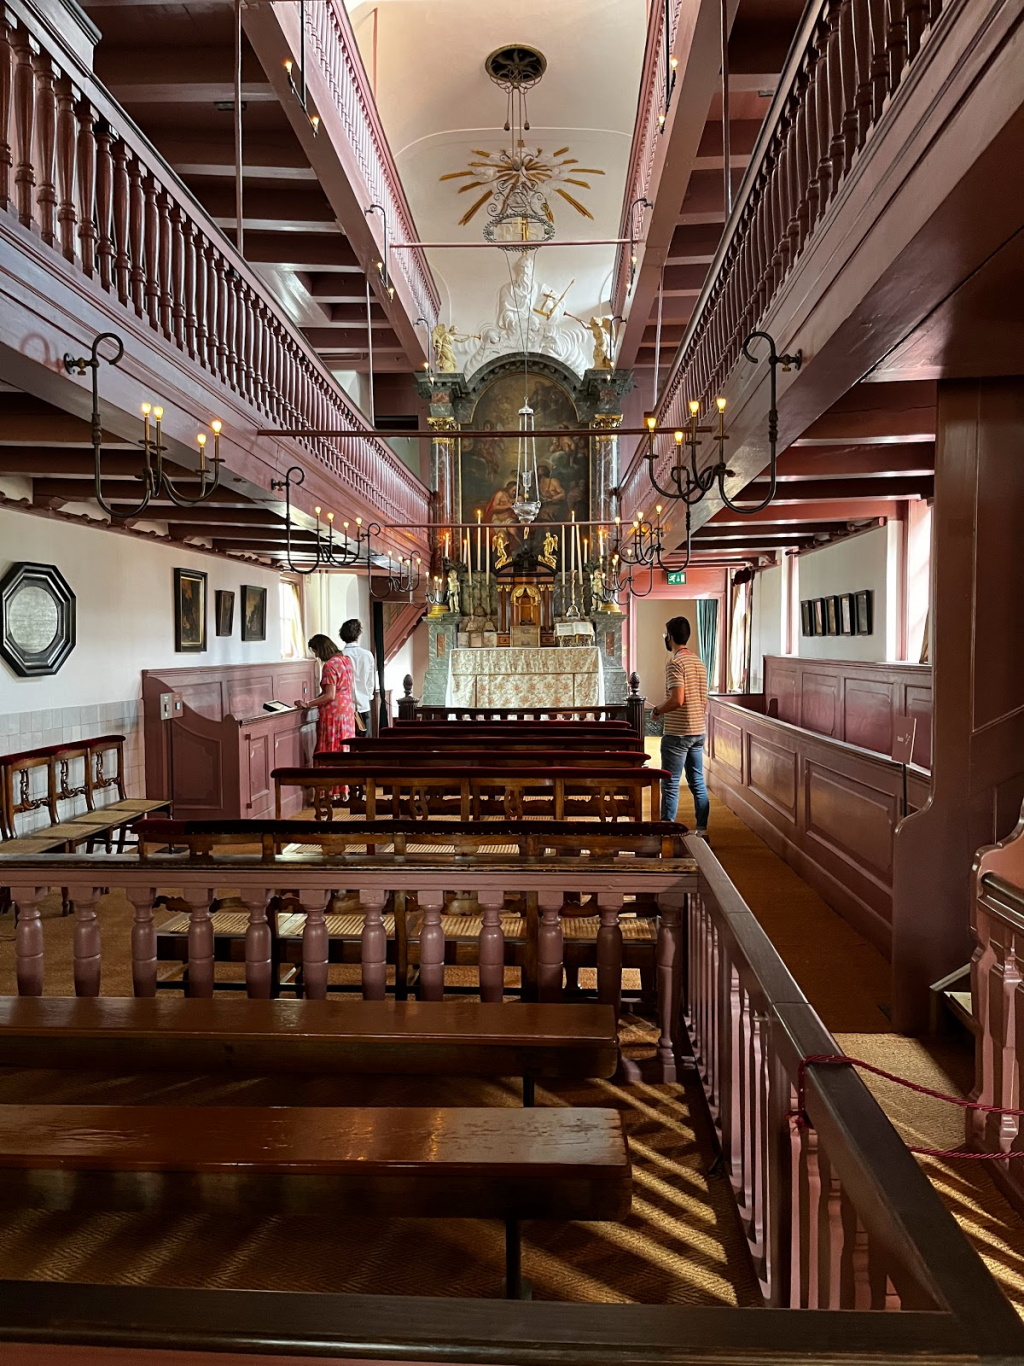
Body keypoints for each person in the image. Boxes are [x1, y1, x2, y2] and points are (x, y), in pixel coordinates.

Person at [651, 616, 709, 835]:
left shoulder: (675, 663)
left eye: (666, 635)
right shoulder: (699, 662)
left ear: (671, 637)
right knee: (697, 782)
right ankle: (702, 831)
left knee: (671, 783)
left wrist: (657, 710)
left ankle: (668, 832)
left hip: (678, 732)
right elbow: (702, 699)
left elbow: (677, 699)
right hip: (698, 730)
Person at [295, 634, 355, 757]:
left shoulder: (330, 665)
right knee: (345, 745)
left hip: (334, 712)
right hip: (347, 709)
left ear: (321, 649)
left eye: (316, 651)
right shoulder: (346, 660)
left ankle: (328, 773)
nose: (316, 655)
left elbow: (330, 695)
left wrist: (308, 704)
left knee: (330, 747)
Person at [339, 618, 377, 736]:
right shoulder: (367, 655)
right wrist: (368, 696)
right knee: (364, 747)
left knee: (347, 744)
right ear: (358, 634)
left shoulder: (340, 656)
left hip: (344, 706)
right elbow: (370, 681)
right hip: (364, 704)